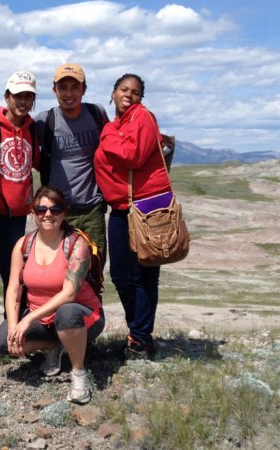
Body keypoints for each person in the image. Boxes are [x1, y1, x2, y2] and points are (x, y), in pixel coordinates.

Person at [0, 186, 105, 404]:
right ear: (33, 214)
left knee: (66, 313)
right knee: (1, 341)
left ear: (64, 212)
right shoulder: (23, 245)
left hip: (83, 316)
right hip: (42, 319)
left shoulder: (77, 243)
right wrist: (15, 325)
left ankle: (78, 375)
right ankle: (51, 346)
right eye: (41, 209)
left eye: (55, 209)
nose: (48, 215)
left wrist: (29, 319)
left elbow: (70, 293)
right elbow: (14, 288)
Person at [94, 73, 171, 359]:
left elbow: (133, 156)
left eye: (136, 92)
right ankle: (137, 332)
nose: (129, 95)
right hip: (121, 210)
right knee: (121, 276)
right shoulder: (117, 124)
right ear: (112, 93)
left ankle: (140, 339)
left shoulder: (141, 117)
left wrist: (106, 134)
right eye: (124, 89)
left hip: (146, 208)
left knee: (144, 276)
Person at [0, 71, 39, 356]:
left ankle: (11, 329)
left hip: (18, 215)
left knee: (14, 276)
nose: (23, 101)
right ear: (7, 96)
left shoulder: (32, 128)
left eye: (29, 96)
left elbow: (35, 164)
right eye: (18, 95)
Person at [35, 63, 109, 264]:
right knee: (58, 270)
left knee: (94, 271)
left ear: (84, 89)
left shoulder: (96, 114)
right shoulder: (44, 121)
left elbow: (113, 146)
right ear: (54, 90)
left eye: (74, 87)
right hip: (57, 211)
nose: (69, 93)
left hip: (92, 209)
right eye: (63, 87)